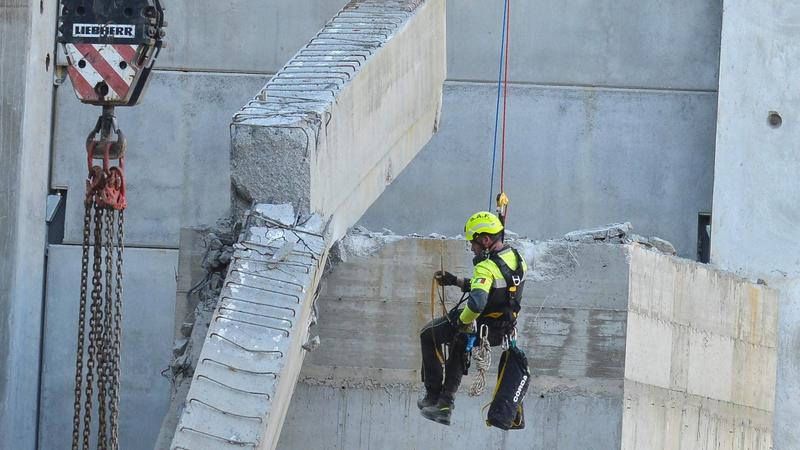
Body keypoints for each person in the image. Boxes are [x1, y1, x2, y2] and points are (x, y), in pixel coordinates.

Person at [418, 211, 528, 425]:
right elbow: (496, 288)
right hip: (501, 329)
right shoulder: (516, 258)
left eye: (474, 243)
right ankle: (444, 404)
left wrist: (462, 321)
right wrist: (455, 280)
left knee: (428, 334)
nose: (472, 248)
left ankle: (433, 395)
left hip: (482, 325)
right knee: (460, 345)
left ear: (486, 240)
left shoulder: (485, 267)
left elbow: (477, 302)